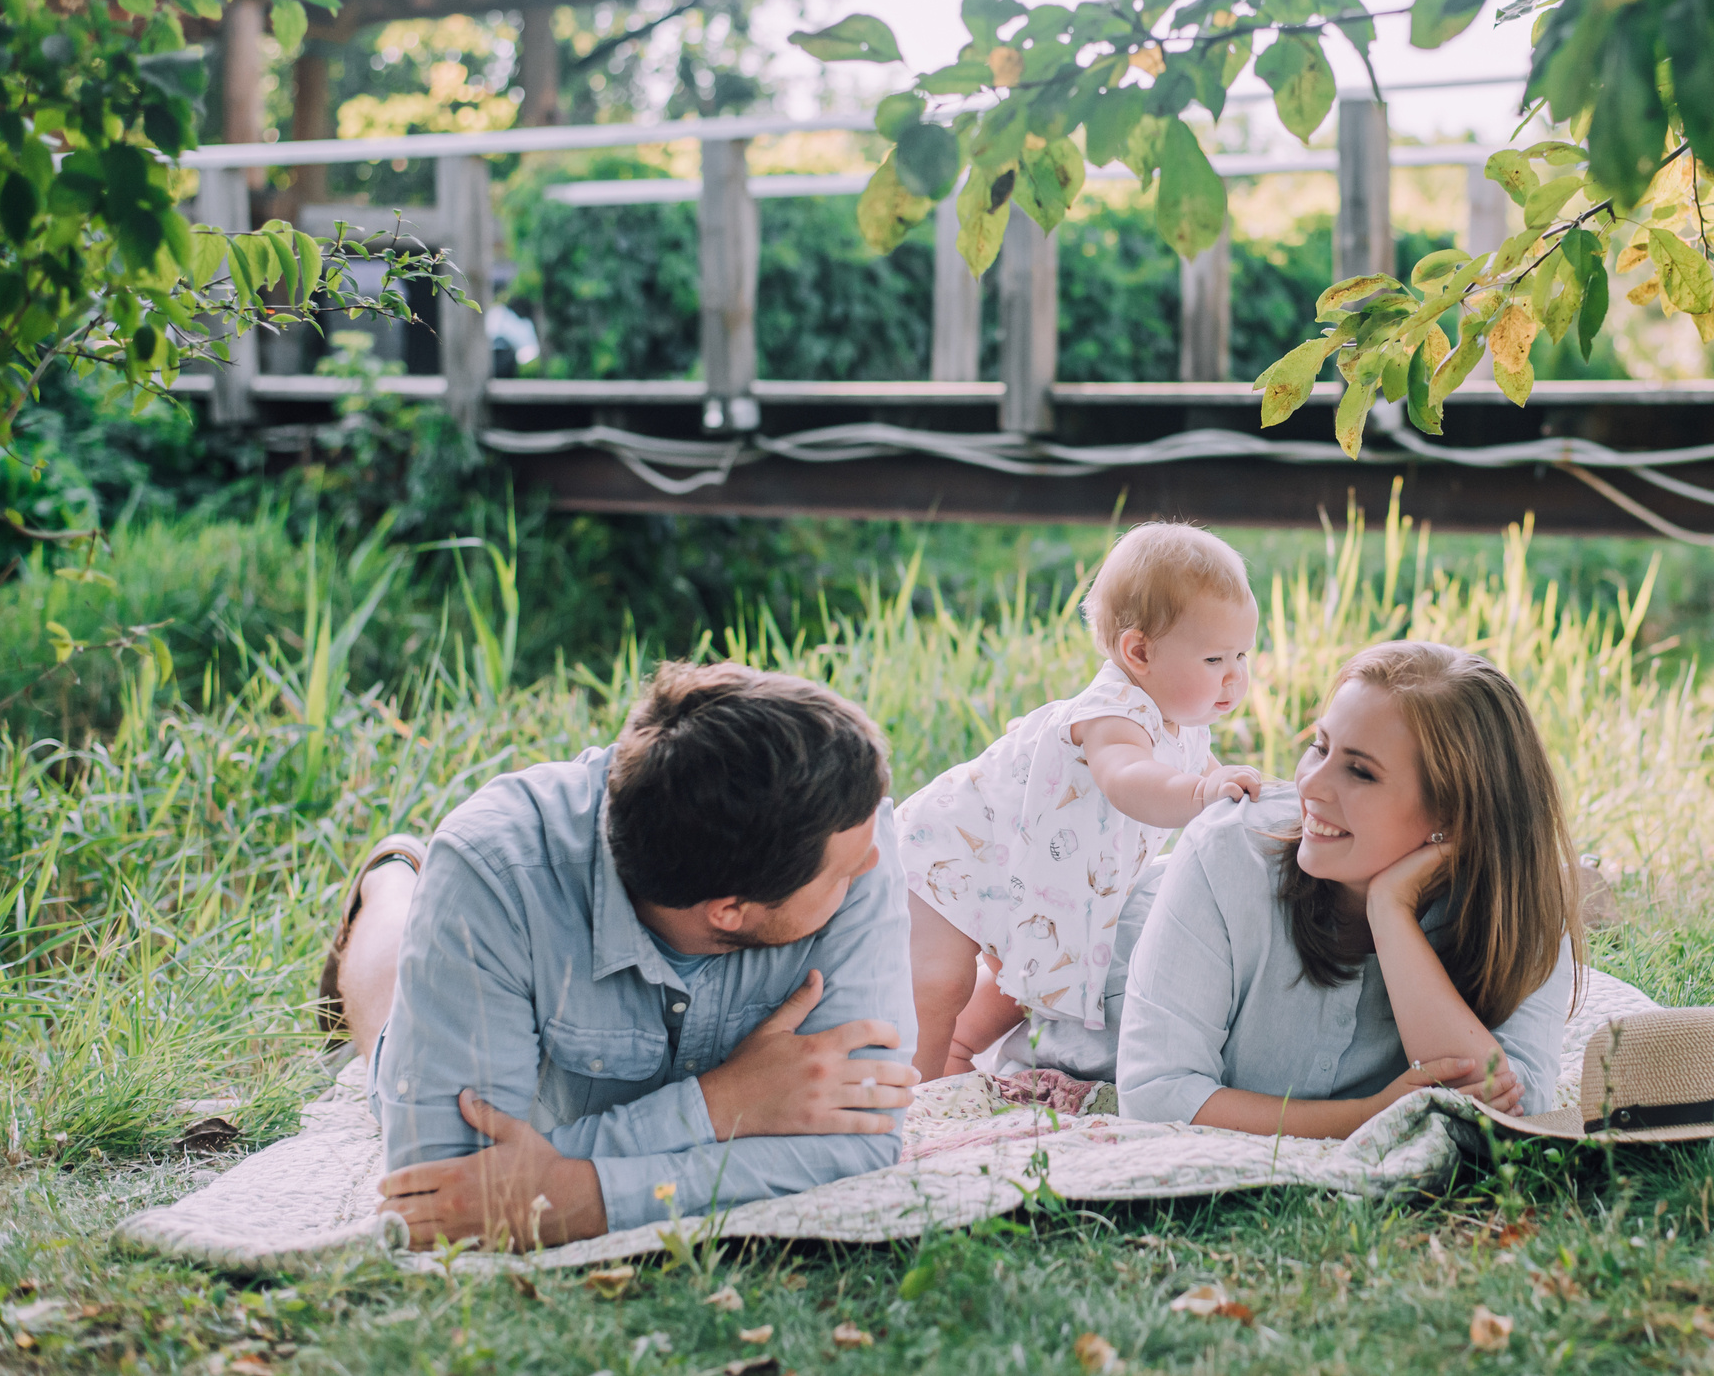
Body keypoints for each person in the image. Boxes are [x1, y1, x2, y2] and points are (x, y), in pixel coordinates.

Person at [321, 661, 921, 1250]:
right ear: (728, 910)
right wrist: (718, 1107)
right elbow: (450, 1187)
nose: (871, 865)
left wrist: (586, 1197)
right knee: (388, 1062)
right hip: (487, 934)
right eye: (844, 871)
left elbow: (860, 1143)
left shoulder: (849, 835)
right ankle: (391, 887)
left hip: (553, 1090)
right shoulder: (493, 870)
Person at [1116, 641, 1583, 1136]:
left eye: (1360, 771)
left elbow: (1513, 1117)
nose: (1310, 785)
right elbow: (1155, 1093)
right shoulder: (1224, 853)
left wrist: (1391, 911)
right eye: (1319, 746)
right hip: (1082, 974)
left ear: (1453, 816)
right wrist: (1367, 1116)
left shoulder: (1519, 905)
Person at [897, 522, 1264, 1081]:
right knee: (938, 984)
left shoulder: (1181, 724)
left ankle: (957, 1058)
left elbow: (1209, 802)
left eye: (1243, 654)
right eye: (1215, 660)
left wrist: (1246, 810)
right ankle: (910, 1103)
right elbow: (1128, 778)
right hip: (955, 855)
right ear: (1138, 652)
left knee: (1023, 977)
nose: (1235, 677)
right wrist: (1202, 792)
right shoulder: (1114, 711)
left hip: (1033, 878)